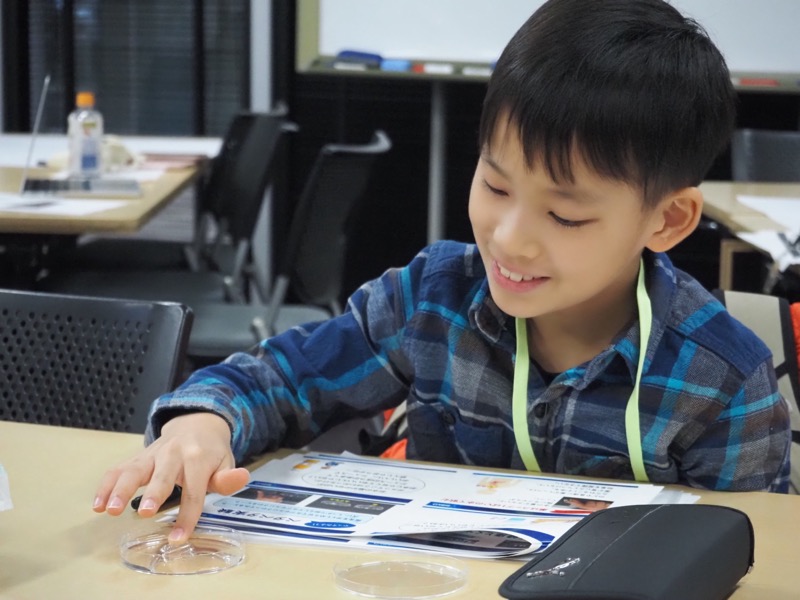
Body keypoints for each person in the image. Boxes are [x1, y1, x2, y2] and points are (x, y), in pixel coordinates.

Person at [93, 0, 791, 544]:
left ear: (667, 221)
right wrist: (202, 425)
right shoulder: (433, 300)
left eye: (565, 216)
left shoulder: (722, 381)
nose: (509, 241)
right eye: (495, 185)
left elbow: (753, 548)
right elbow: (276, 379)